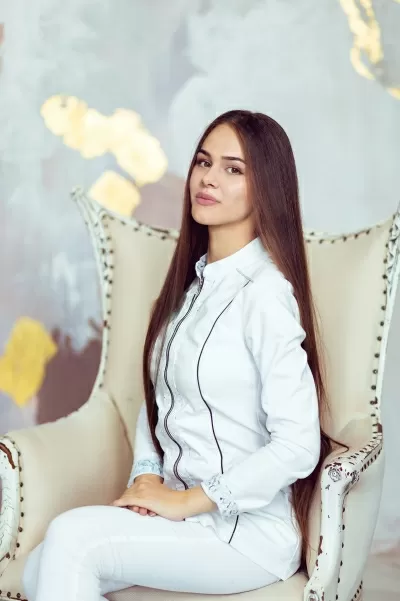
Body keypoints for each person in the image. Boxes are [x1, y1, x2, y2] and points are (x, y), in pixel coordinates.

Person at [22, 110, 331, 600]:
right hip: (184, 517)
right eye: (203, 162)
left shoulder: (265, 295)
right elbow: (159, 399)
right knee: (37, 569)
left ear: (267, 188)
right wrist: (147, 476)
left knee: (71, 540)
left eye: (233, 169)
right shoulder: (191, 290)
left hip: (246, 536)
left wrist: (189, 501)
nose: (208, 178)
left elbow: (297, 444)